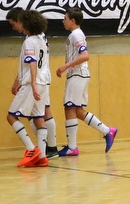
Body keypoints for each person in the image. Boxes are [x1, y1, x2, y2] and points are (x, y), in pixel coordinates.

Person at [55, 8, 117, 156]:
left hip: (78, 74)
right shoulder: (76, 34)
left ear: (72, 20)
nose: (63, 21)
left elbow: (85, 55)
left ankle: (72, 147)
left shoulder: (76, 35)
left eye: (65, 18)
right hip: (79, 75)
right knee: (77, 111)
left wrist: (65, 66)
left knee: (69, 109)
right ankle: (107, 131)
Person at [6, 10, 51, 168]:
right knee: (39, 118)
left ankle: (32, 149)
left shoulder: (29, 41)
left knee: (11, 116)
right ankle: (43, 156)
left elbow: (32, 63)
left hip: (32, 83)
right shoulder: (41, 40)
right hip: (44, 82)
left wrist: (32, 83)